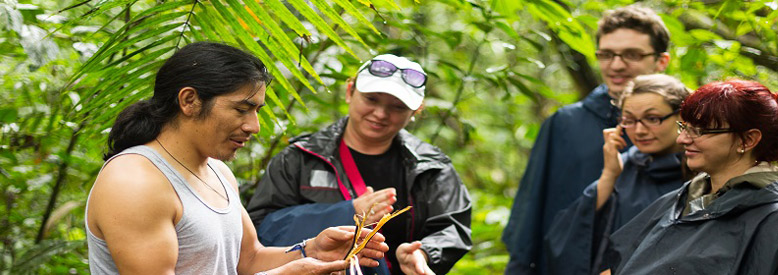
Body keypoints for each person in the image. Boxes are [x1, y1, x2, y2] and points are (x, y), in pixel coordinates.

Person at [84, 42, 388, 274]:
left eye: (257, 111)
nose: (253, 126)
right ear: (189, 100)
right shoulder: (135, 181)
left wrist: (311, 251)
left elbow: (249, 259)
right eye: (241, 109)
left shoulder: (216, 170)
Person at [246, 54, 472, 275]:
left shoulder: (432, 166)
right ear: (349, 92)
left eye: (398, 107)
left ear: (415, 112)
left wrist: (423, 253)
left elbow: (453, 228)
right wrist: (347, 212)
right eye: (371, 99)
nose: (381, 113)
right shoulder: (299, 158)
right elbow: (260, 231)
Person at [503, 5, 671, 273]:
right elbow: (529, 217)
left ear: (661, 61)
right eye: (606, 54)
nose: (616, 65)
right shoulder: (565, 124)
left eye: (631, 55)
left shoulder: (684, 126)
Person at [607, 80, 778, 274]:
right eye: (684, 127)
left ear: (748, 140)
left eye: (699, 131)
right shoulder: (685, 198)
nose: (682, 139)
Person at [543, 74, 691, 274]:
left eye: (652, 118)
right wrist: (609, 175)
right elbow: (568, 238)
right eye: (629, 120)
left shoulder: (705, 170)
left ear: (682, 116)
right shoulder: (628, 165)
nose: (639, 130)